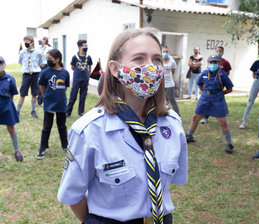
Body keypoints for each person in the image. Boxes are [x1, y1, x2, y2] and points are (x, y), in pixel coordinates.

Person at [57, 28, 188, 224]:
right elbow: (72, 195)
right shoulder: (90, 130)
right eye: (139, 59)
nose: (150, 67)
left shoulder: (172, 125)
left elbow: (171, 182)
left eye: (157, 59)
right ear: (116, 68)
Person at [186, 54, 234, 153]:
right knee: (195, 118)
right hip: (205, 99)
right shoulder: (204, 73)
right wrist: (206, 92)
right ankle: (189, 135)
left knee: (222, 122)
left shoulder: (223, 75)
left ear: (218, 63)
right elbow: (199, 84)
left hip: (218, 100)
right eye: (211, 62)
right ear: (208, 63)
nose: (213, 64)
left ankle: (229, 143)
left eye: (215, 62)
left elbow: (230, 89)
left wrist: (220, 93)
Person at [37, 49, 69, 159]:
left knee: (62, 126)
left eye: (50, 59)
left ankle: (65, 146)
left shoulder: (65, 73)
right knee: (47, 126)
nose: (48, 61)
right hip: (49, 103)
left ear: (57, 59)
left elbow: (65, 87)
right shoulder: (45, 72)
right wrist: (46, 97)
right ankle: (42, 148)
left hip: (61, 103)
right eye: (47, 59)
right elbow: (41, 86)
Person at [200, 46, 231, 124]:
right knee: (208, 100)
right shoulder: (212, 60)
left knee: (218, 101)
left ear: (223, 52)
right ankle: (205, 117)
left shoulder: (226, 62)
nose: (218, 52)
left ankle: (221, 117)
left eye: (220, 51)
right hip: (211, 83)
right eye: (217, 51)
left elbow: (227, 73)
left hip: (219, 83)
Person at [0, 56, 23, 162]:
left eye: (1, 63)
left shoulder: (10, 79)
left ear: (4, 64)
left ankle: (17, 151)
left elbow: (12, 94)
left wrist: (6, 104)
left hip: (7, 106)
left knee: (11, 128)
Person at [17, 35, 42, 118]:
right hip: (26, 75)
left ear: (32, 42)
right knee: (22, 93)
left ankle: (33, 110)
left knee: (34, 93)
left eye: (28, 42)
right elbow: (21, 62)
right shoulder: (22, 52)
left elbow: (40, 63)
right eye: (25, 42)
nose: (26, 43)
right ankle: (17, 111)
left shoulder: (38, 53)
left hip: (35, 74)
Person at [66, 40, 93, 117]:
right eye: (84, 46)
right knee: (73, 96)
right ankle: (68, 112)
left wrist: (88, 78)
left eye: (86, 46)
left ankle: (81, 112)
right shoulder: (75, 57)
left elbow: (90, 67)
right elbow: (72, 67)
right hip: (77, 79)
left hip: (85, 79)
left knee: (83, 96)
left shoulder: (88, 57)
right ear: (79, 46)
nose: (86, 47)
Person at [162, 44, 180, 116]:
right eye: (163, 51)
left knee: (172, 100)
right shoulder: (159, 60)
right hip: (161, 84)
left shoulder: (172, 61)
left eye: (167, 51)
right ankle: (165, 113)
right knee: (163, 100)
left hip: (169, 84)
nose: (165, 53)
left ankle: (178, 114)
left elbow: (173, 71)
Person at [37, 37, 52, 106]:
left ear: (45, 41)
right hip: (40, 67)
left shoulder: (49, 49)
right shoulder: (37, 48)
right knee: (40, 83)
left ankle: (47, 99)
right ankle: (40, 101)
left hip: (47, 66)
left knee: (47, 83)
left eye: (42, 39)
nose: (40, 40)